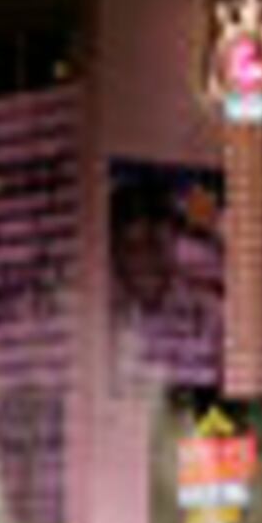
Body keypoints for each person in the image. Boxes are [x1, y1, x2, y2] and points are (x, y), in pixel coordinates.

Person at [109, 165, 225, 396]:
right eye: (133, 248)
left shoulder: (208, 310)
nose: (146, 260)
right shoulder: (100, 317)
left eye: (155, 247)